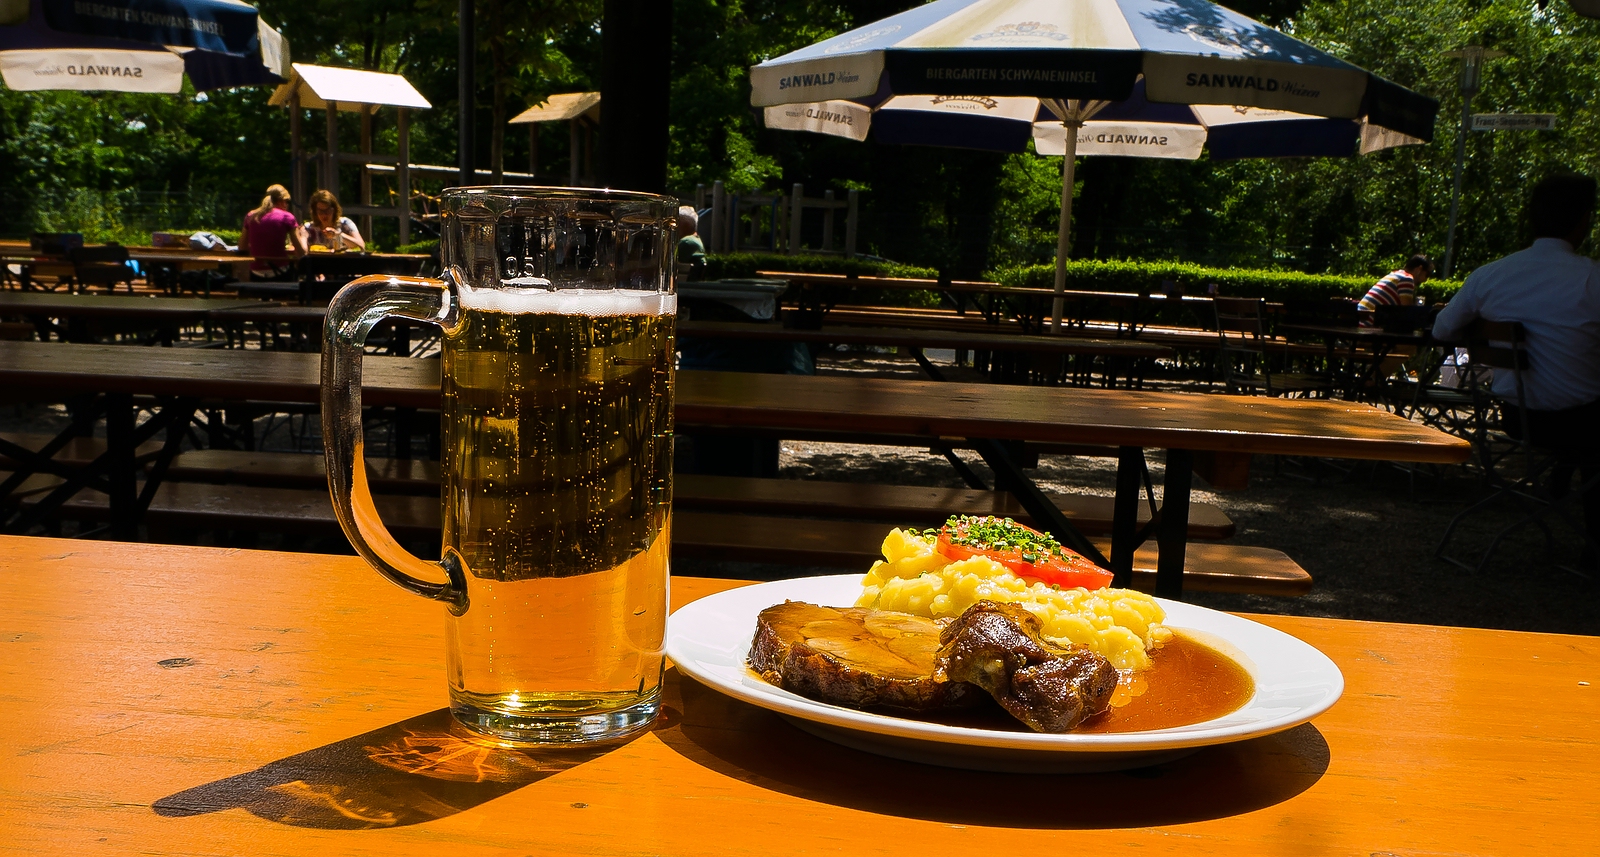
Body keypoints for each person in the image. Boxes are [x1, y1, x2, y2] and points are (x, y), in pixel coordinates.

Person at [1432, 172, 1600, 565]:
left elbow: (1442, 328)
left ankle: (1562, 490)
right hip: (1584, 421)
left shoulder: (1492, 274)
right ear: (1583, 221)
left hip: (1517, 417)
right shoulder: (1592, 278)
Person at [240, 184, 306, 276]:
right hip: (280, 272)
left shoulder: (251, 216)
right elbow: (301, 252)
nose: (287, 205)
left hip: (255, 272)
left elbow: (242, 247)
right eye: (287, 201)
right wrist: (303, 236)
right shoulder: (287, 217)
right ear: (281, 201)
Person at [1357, 254, 1432, 324]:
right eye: (1427, 275)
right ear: (1419, 269)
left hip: (1359, 319)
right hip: (1367, 324)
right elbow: (1408, 313)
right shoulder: (1407, 279)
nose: (1425, 280)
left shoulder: (1396, 274)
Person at [302, 189, 366, 252]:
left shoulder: (345, 223)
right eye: (320, 211)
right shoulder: (308, 228)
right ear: (315, 212)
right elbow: (300, 251)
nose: (324, 214)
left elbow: (361, 246)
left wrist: (337, 235)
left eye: (327, 210)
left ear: (334, 210)